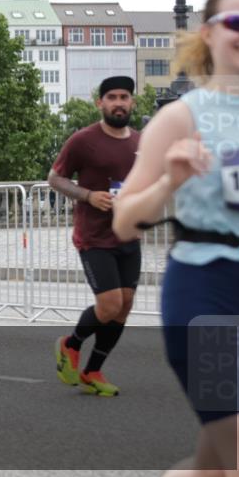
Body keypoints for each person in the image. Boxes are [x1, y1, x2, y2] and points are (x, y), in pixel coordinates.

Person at [112, 0, 239, 477]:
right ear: (209, 34)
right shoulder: (180, 118)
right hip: (207, 297)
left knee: (214, 470)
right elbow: (125, 218)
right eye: (238, 22)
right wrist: (171, 181)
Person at [47, 75, 141, 397]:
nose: (118, 102)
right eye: (112, 97)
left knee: (125, 305)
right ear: (100, 103)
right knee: (110, 303)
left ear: (132, 102)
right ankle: (70, 345)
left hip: (129, 235)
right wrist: (88, 196)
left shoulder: (141, 142)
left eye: (124, 97)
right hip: (94, 236)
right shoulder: (83, 140)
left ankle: (92, 370)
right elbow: (55, 178)